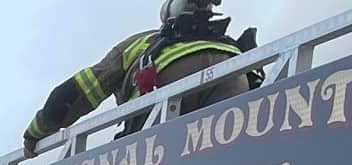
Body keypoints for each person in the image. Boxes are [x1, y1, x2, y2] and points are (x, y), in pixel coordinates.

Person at [22, 0, 257, 156]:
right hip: (234, 81)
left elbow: (81, 90)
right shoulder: (230, 47)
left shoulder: (144, 42)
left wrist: (36, 132)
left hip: (161, 116)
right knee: (227, 157)